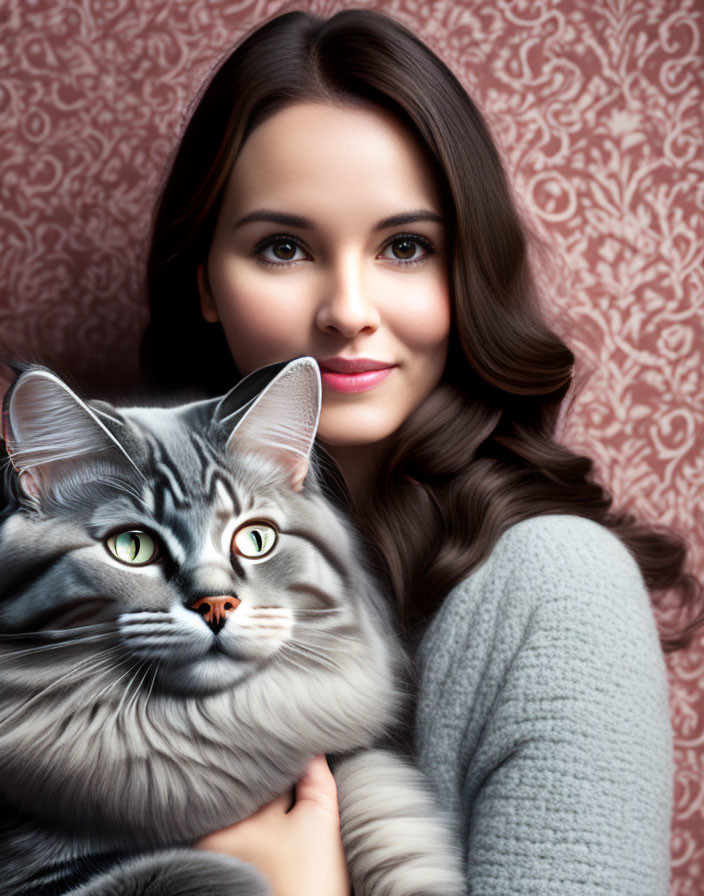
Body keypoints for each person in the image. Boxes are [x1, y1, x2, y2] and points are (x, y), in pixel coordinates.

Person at [140, 9, 702, 894]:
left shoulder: (552, 590)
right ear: (206, 281)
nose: (348, 309)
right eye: (283, 248)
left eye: (405, 247)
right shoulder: (102, 565)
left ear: (465, 269)